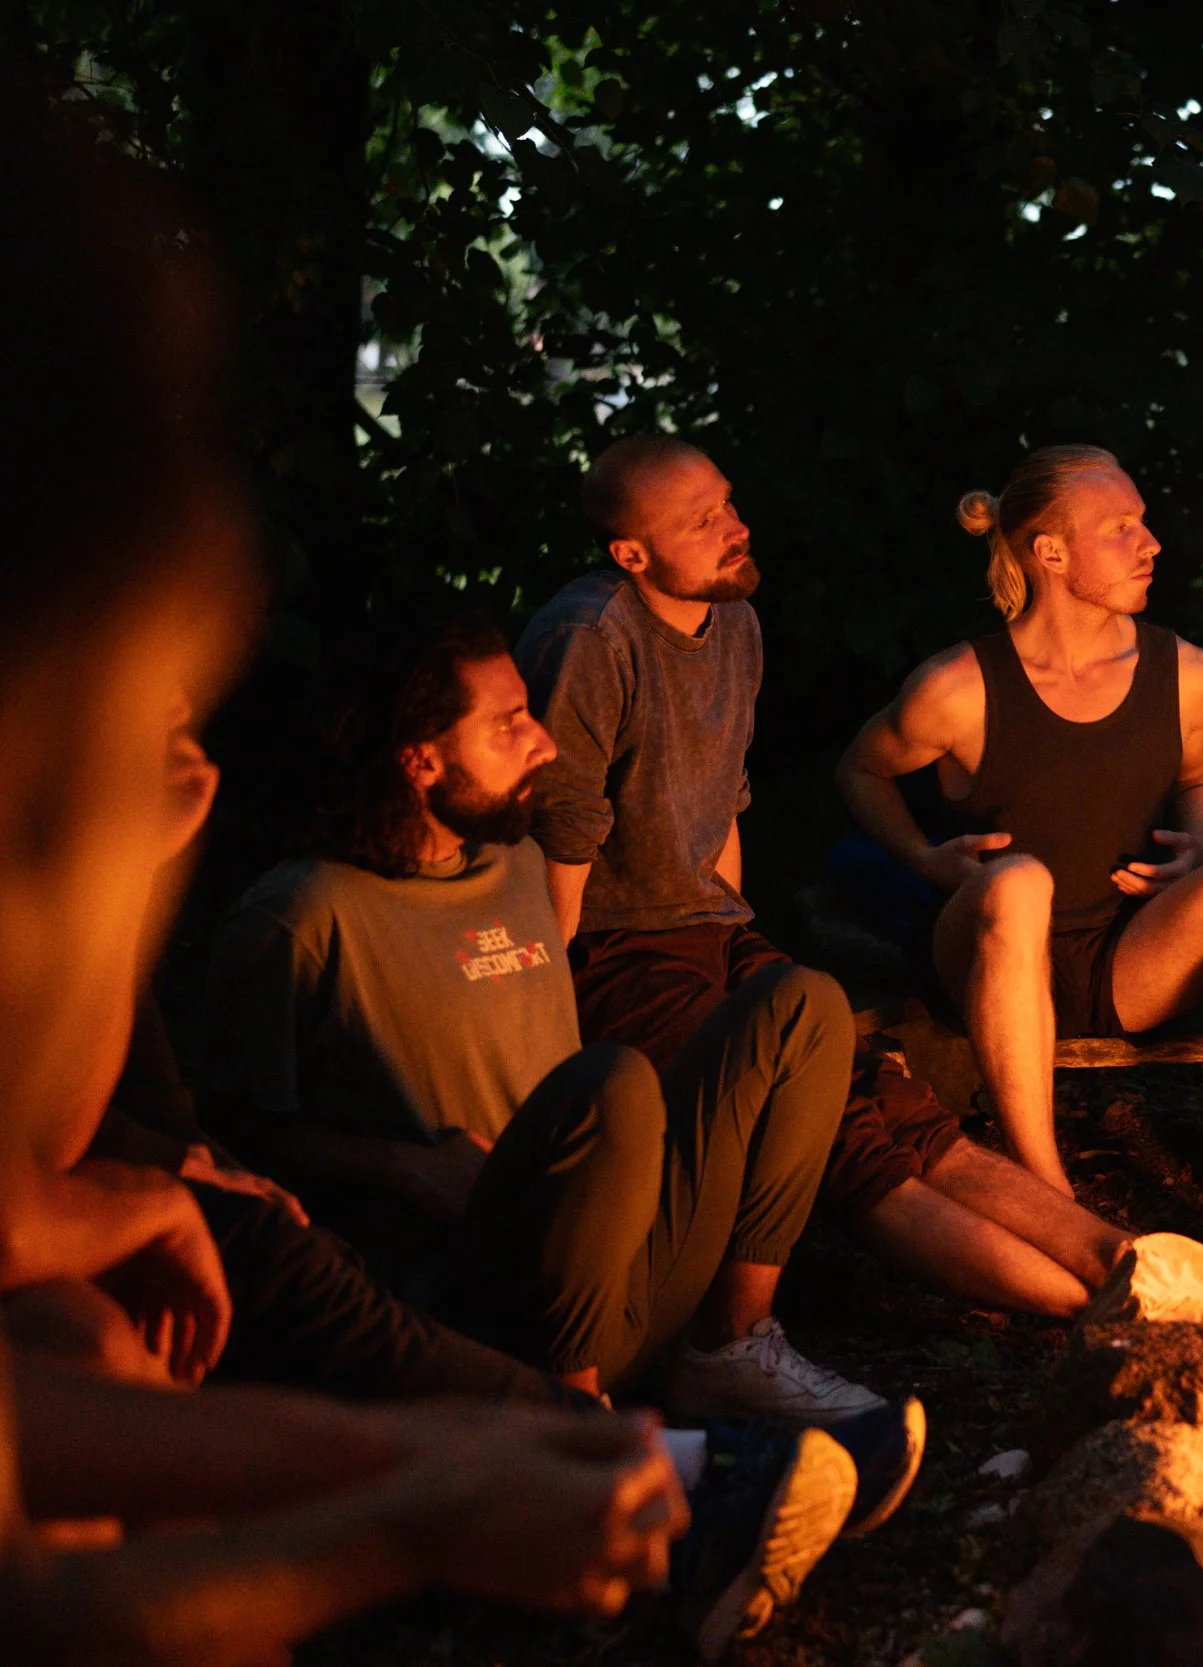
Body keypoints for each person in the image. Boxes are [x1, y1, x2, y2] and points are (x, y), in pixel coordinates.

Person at [0, 73, 691, 1662]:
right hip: (405, 1245)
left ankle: (606, 1448)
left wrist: (413, 1482)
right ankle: (613, 1470)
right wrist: (408, 1504)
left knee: (89, 1319)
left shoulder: (505, 868)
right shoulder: (301, 910)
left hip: (368, 1265)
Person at [532, 438, 1203, 1321]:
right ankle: (1078, 1280)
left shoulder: (734, 623)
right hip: (655, 947)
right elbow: (563, 838)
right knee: (859, 1111)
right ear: (1050, 552)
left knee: (894, 1101)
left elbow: (720, 806)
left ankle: (1168, 1243)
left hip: (1091, 955)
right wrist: (544, 1016)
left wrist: (1202, 842)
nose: (736, 527)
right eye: (704, 520)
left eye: (729, 503)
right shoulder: (596, 640)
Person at [202, 608, 916, 1456]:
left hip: (626, 1274)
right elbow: (231, 1137)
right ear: (419, 759)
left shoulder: (511, 862)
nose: (544, 743)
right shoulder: (301, 917)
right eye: (509, 725)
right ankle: (579, 1428)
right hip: (483, 1313)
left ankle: (728, 1344)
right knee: (608, 1085)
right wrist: (400, 1165)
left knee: (802, 1002)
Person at [836, 445, 1203, 1296]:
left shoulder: (1185, 674)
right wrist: (919, 855)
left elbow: (1202, 778)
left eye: (1143, 520)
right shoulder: (960, 686)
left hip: (1121, 958)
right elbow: (861, 768)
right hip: (984, 950)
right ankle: (1048, 1197)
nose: (1151, 541)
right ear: (1050, 553)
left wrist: (1202, 843)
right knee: (1020, 881)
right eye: (1122, 527)